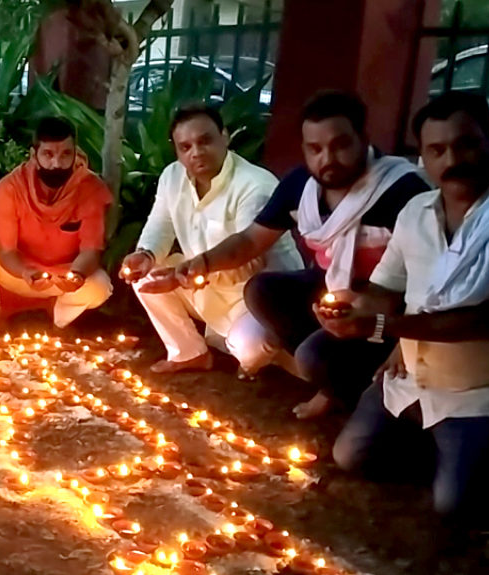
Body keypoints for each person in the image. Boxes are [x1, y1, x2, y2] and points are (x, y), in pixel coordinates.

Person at [323, 92, 489, 515]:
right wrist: (345, 307)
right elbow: (385, 289)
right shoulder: (417, 211)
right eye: (437, 150)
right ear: (424, 158)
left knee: (457, 504)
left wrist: (384, 328)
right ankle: (452, 450)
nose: (453, 160)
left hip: (488, 391)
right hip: (412, 379)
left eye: (466, 144)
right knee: (350, 456)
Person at [175, 91, 430, 418]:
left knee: (312, 357)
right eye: (315, 149)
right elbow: (251, 241)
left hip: (390, 311)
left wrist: (398, 337)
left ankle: (355, 392)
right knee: (263, 290)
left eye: (340, 145)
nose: (327, 158)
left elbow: (429, 284)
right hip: (335, 292)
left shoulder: (402, 191)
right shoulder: (301, 186)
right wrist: (204, 262)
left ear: (363, 139)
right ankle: (333, 381)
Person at [120, 104, 302, 374]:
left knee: (250, 347)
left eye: (205, 141)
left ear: (224, 136)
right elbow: (161, 224)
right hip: (203, 281)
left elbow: (250, 260)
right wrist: (145, 254)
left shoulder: (255, 185)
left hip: (258, 294)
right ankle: (188, 353)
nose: (196, 152)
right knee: (143, 275)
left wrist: (185, 274)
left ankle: (273, 348)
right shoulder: (173, 176)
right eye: (185, 147)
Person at [0, 116, 113, 340]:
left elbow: (91, 251)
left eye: (65, 154)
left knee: (100, 286)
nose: (57, 164)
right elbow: (7, 252)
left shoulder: (90, 188)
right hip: (18, 273)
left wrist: (77, 275)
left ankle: (60, 319)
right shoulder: (11, 187)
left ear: (75, 154)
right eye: (48, 154)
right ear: (34, 155)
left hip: (63, 276)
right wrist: (26, 272)